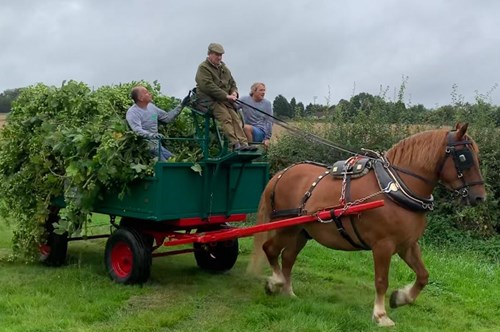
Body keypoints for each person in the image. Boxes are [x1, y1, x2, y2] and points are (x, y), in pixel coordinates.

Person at [195, 42, 257, 151]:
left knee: (236, 118)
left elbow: (233, 84)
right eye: (216, 55)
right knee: (226, 117)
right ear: (209, 54)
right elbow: (208, 86)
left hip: (225, 100)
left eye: (220, 55)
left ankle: (244, 144)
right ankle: (235, 144)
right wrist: (226, 96)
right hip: (209, 100)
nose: (219, 57)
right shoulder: (203, 68)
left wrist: (234, 93)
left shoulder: (224, 68)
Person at [126, 85, 186, 161]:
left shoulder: (152, 107)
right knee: (165, 164)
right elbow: (137, 130)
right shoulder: (132, 112)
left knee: (175, 160)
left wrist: (181, 105)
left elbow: (166, 118)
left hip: (157, 145)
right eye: (146, 93)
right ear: (140, 98)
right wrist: (152, 135)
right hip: (145, 146)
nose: (150, 94)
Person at [238, 82, 273, 149]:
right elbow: (233, 107)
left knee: (246, 127)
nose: (263, 92)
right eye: (261, 90)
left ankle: (250, 148)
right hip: (246, 131)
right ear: (254, 91)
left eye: (264, 90)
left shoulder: (267, 104)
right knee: (239, 128)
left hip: (261, 131)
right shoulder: (244, 99)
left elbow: (269, 121)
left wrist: (267, 138)